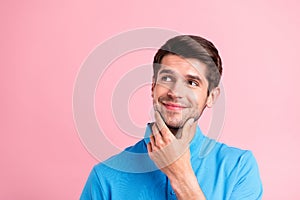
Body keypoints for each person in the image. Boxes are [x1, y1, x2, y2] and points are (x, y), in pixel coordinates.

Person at [80, 35, 263, 199]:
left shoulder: (239, 168)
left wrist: (180, 174)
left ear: (211, 97)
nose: (175, 92)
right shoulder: (105, 177)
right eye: (167, 78)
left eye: (192, 82)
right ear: (153, 88)